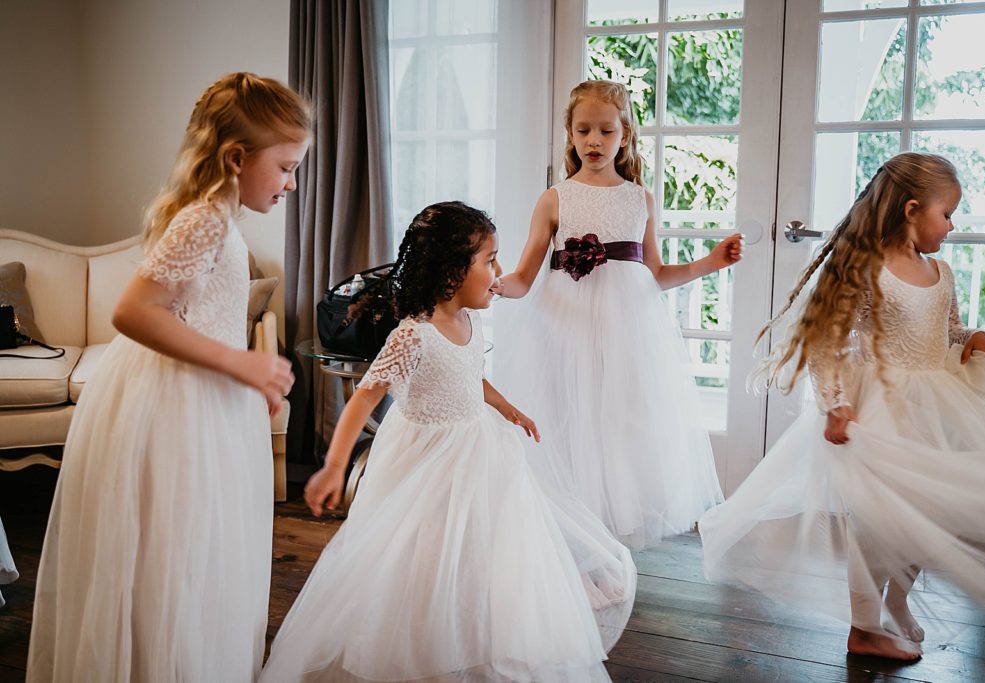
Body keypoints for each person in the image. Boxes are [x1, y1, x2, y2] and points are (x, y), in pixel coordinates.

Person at [260, 201, 636, 683]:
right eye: (489, 260)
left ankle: (474, 634)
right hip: (426, 459)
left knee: (483, 547)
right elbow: (362, 399)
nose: (499, 272)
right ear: (451, 271)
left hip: (478, 447)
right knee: (423, 551)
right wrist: (335, 465)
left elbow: (470, 374)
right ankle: (422, 644)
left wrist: (508, 408)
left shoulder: (471, 323)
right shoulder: (412, 335)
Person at [27, 72, 311, 682]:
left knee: (200, 553)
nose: (292, 183)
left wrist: (245, 379)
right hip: (175, 408)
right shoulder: (204, 220)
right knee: (176, 553)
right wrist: (241, 363)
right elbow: (132, 312)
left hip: (205, 398)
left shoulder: (224, 221)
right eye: (286, 167)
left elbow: (201, 314)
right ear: (238, 158)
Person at [699, 152, 985, 660]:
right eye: (947, 213)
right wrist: (835, 404)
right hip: (882, 410)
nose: (952, 225)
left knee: (924, 514)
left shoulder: (939, 271)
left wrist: (973, 336)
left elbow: (948, 331)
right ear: (913, 209)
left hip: (934, 404)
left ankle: (897, 602)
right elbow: (827, 341)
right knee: (878, 524)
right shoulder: (868, 270)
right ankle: (864, 627)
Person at [491, 80, 742, 549]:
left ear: (624, 136)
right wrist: (497, 285)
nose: (593, 140)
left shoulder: (638, 199)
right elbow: (525, 275)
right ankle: (569, 549)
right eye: (583, 130)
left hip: (626, 333)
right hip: (563, 329)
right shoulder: (554, 198)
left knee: (617, 431)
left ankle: (605, 550)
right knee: (566, 425)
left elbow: (655, 273)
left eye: (605, 131)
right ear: (569, 133)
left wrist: (711, 262)